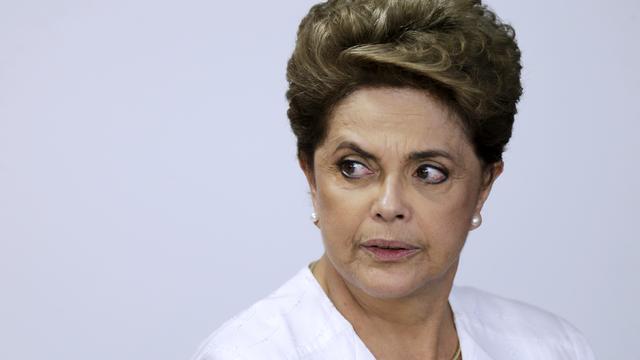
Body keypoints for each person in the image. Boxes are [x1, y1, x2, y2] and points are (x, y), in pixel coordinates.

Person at [192, 0, 595, 359]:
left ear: (483, 188)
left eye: (429, 173)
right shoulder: (250, 353)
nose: (389, 206)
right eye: (353, 167)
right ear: (311, 178)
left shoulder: (550, 347)